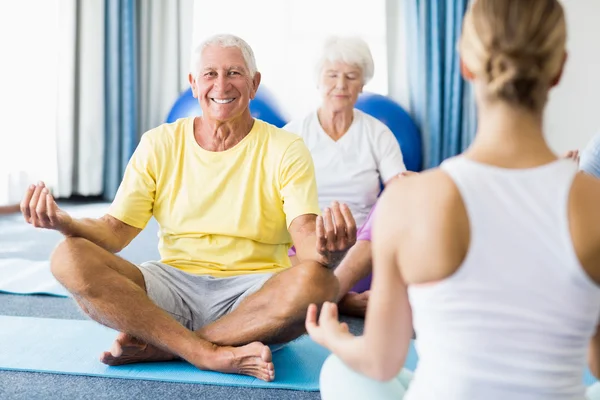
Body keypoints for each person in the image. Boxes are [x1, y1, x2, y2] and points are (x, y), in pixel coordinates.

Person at [20, 33, 357, 382]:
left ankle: (170, 346)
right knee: (68, 256)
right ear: (194, 84)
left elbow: (304, 236)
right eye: (210, 74)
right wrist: (64, 222)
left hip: (253, 295)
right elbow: (113, 232)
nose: (221, 85)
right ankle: (204, 352)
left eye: (235, 73)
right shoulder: (159, 143)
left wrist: (330, 253)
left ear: (254, 84)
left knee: (321, 283)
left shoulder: (286, 148)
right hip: (172, 285)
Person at [306, 0, 600, 399]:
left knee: (342, 371)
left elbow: (381, 361)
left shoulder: (409, 200)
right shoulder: (593, 203)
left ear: (464, 64)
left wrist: (333, 337)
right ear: (558, 69)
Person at [284, 36, 406, 315]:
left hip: (362, 255)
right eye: (332, 75)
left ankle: (330, 292)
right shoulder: (293, 133)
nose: (341, 85)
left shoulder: (378, 133)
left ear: (362, 84)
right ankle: (342, 299)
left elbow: (399, 189)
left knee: (398, 197)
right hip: (307, 254)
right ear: (318, 80)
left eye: (351, 77)